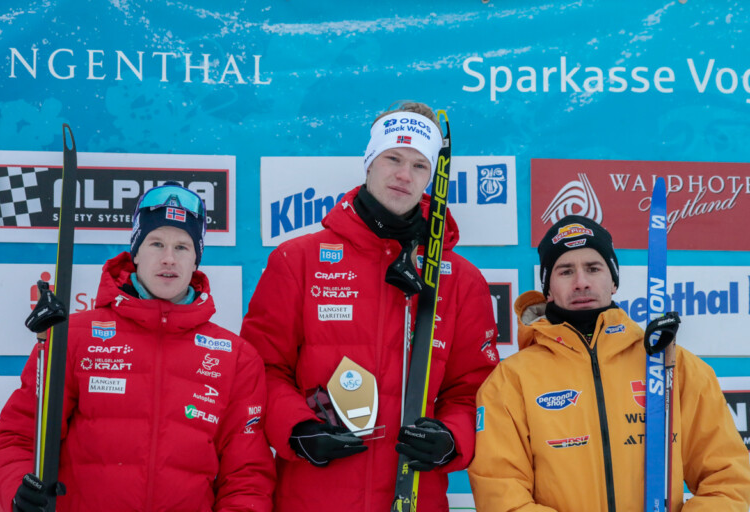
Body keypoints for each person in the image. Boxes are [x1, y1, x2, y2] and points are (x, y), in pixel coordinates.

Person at [240, 101, 499, 511]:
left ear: (431, 177)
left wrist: (451, 439)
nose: (403, 175)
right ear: (369, 161)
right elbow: (260, 368)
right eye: (393, 158)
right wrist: (297, 428)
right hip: (313, 496)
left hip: (413, 497)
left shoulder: (461, 279)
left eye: (419, 165)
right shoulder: (299, 260)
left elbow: (476, 391)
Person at [0, 182, 275, 512]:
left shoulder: (235, 356)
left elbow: (245, 476)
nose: (168, 258)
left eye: (182, 247)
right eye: (156, 243)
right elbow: (21, 436)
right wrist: (19, 491)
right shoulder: (76, 337)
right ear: (136, 252)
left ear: (197, 259)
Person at [469, 214, 750, 511]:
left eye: (593, 268)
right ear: (548, 289)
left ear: (613, 280)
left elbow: (728, 481)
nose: (581, 283)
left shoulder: (673, 366)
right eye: (565, 271)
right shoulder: (511, 380)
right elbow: (500, 492)